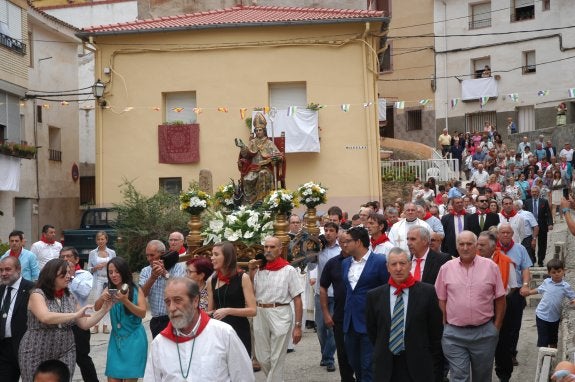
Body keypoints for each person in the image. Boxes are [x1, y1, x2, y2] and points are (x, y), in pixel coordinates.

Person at [18, 258, 112, 382]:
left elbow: (84, 324)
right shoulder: (37, 294)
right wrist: (75, 315)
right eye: (64, 273)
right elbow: (45, 317)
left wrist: (104, 309)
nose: (69, 276)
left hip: (65, 350)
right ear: (52, 275)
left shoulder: (69, 296)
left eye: (69, 272)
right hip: (36, 350)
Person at [144, 277, 254, 381]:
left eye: (178, 300)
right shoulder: (159, 343)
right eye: (168, 302)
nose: (172, 308)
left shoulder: (223, 333)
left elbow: (244, 377)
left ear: (195, 301)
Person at [435, 231, 506, 382]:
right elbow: (441, 299)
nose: (465, 248)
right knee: (459, 376)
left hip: (484, 333)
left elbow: (500, 298)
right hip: (454, 335)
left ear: (476, 246)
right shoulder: (446, 268)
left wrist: (496, 327)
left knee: (482, 377)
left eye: (469, 244)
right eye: (462, 244)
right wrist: (445, 325)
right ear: (456, 246)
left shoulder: (491, 267)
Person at [366, 247, 443, 381]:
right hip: (386, 364)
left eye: (402, 263)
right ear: (387, 267)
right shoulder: (374, 296)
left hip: (418, 363)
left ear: (410, 264)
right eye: (393, 264)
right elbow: (373, 331)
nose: (398, 268)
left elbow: (435, 332)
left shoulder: (428, 293)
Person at [249, 236, 304, 381]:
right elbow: (251, 293)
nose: (268, 250)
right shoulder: (258, 269)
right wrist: (251, 271)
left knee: (277, 357)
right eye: (266, 247)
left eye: (272, 247)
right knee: (262, 357)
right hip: (260, 312)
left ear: (280, 250)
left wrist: (298, 326)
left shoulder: (288, 270)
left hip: (280, 313)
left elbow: (297, 299)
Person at [341, 226, 389, 382]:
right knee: (354, 363)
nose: (344, 245)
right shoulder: (345, 263)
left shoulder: (380, 261)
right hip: (350, 323)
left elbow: (387, 290)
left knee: (369, 365)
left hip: (371, 322)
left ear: (359, 242)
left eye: (348, 241)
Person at [94, 257, 148, 381]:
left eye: (117, 271)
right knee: (112, 378)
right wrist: (102, 298)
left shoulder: (135, 289)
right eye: (110, 272)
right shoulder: (109, 289)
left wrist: (125, 301)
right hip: (116, 339)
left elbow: (142, 313)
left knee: (130, 379)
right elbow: (96, 308)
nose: (113, 275)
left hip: (134, 340)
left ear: (124, 271)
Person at [476, 231, 517, 382]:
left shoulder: (505, 261)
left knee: (502, 344)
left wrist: (497, 298)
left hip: (500, 305)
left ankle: (504, 375)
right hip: (478, 307)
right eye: (477, 244)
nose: (478, 248)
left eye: (482, 245)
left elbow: (512, 287)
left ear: (493, 247)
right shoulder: (472, 261)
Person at [208, 241, 256, 357]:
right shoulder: (212, 280)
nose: (212, 258)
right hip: (218, 331)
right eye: (212, 254)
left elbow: (253, 310)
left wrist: (228, 310)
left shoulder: (242, 277)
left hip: (239, 330)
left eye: (216, 254)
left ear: (228, 257)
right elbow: (210, 311)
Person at [319, 230, 355, 382]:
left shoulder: (361, 262)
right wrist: (326, 313)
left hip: (360, 314)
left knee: (359, 352)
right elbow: (323, 287)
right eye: (342, 242)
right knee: (342, 352)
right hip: (340, 314)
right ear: (339, 243)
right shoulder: (332, 263)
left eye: (348, 241)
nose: (345, 245)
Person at [59, 247, 98, 382]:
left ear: (76, 259)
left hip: (80, 323)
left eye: (68, 256)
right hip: (61, 323)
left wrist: (72, 276)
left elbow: (85, 292)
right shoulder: (56, 276)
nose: (65, 259)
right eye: (62, 257)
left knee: (82, 358)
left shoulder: (85, 275)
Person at [497, 223, 532, 367]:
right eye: (503, 232)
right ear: (498, 234)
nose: (505, 235)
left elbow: (525, 269)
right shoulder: (494, 249)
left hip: (515, 293)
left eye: (508, 232)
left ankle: (511, 353)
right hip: (497, 294)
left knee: (514, 326)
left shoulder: (520, 249)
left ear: (512, 234)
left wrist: (525, 285)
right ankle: (498, 352)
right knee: (498, 324)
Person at [139, 239, 186, 338]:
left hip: (175, 317)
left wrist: (165, 273)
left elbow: (180, 289)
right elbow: (142, 294)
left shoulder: (178, 268)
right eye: (147, 255)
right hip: (157, 320)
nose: (149, 259)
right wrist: (152, 277)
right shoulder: (145, 271)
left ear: (163, 254)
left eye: (152, 255)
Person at [235, 112, 283, 205]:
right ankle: (249, 203)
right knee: (247, 178)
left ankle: (263, 201)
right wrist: (242, 147)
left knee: (262, 174)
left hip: (265, 168)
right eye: (256, 130)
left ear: (264, 130)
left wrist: (273, 159)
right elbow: (246, 155)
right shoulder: (252, 142)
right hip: (253, 168)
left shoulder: (269, 143)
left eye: (260, 130)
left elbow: (278, 155)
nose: (258, 132)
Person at [0, 257, 35, 382]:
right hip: (4, 349)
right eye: (1, 270)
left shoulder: (32, 289)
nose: (4, 273)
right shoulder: (1, 289)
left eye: (8, 269)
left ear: (19, 269)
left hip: (26, 348)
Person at [528, 259, 575, 348]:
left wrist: (573, 301)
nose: (556, 274)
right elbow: (539, 290)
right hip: (541, 315)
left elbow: (572, 296)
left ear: (563, 271)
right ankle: (543, 359)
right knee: (543, 340)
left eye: (559, 271)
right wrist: (529, 292)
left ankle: (552, 358)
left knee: (553, 340)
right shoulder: (546, 282)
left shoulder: (565, 286)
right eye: (553, 272)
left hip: (554, 318)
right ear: (549, 273)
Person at [88, 231, 116, 334]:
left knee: (108, 301)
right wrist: (95, 267)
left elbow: (116, 265)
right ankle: (95, 325)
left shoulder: (112, 252)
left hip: (109, 279)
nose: (100, 241)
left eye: (102, 239)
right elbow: (89, 269)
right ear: (96, 241)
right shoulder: (92, 253)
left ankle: (105, 326)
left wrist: (109, 265)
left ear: (106, 240)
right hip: (98, 279)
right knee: (97, 302)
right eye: (98, 239)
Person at [525, 186, 554, 266]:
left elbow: (548, 213)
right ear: (531, 193)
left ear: (538, 192)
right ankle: (532, 260)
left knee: (542, 244)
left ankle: (541, 260)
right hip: (531, 227)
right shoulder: (527, 202)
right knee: (531, 244)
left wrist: (550, 223)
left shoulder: (544, 201)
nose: (534, 193)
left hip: (542, 225)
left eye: (535, 192)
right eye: (532, 192)